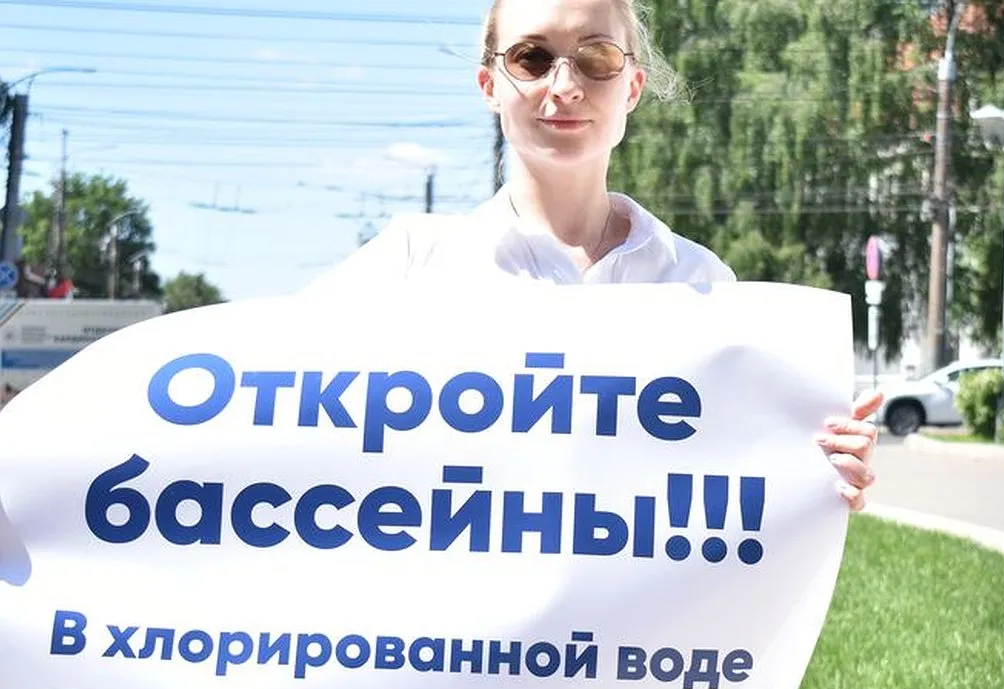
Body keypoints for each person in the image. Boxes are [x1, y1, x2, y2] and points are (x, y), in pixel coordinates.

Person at [306, 0, 884, 511]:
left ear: (632, 87)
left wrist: (816, 472)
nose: (564, 85)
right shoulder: (410, 266)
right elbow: (279, 414)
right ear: (489, 85)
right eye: (531, 58)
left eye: (596, 57)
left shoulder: (702, 282)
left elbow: (737, 472)